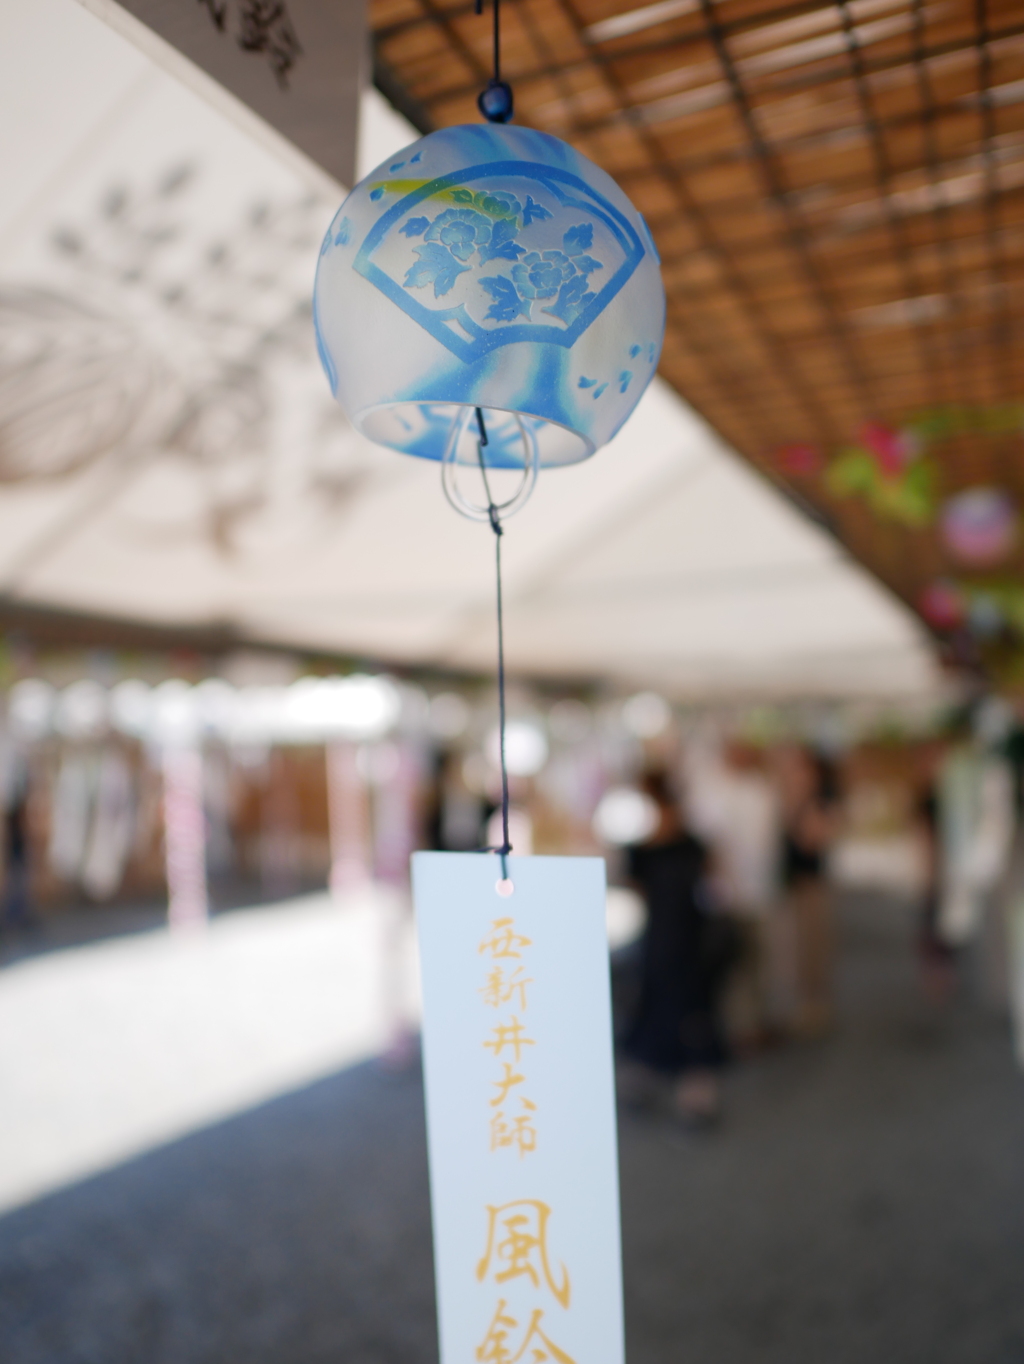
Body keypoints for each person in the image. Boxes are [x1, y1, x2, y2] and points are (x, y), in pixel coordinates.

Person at [620, 771, 725, 1124]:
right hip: (658, 945)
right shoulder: (642, 850)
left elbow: (712, 890)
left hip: (687, 946)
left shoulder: (689, 846)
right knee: (653, 1012)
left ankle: (693, 1100)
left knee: (690, 1021)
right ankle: (647, 1085)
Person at [778, 746, 840, 1038]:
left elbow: (813, 841)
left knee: (812, 946)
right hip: (793, 885)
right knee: (796, 948)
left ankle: (814, 1004)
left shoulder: (817, 803)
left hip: (811, 885)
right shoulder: (789, 801)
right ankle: (804, 1002)